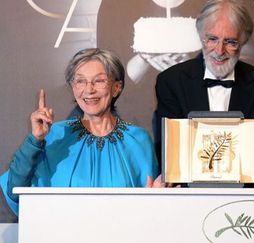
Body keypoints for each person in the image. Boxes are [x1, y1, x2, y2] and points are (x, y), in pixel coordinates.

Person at [0, 48, 160, 215]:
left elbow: (147, 212)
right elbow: (15, 190)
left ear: (116, 88)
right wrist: (35, 140)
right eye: (80, 81)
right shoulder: (55, 135)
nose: (89, 90)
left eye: (99, 81)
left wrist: (157, 200)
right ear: (73, 87)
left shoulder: (138, 139)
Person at [154, 0, 254, 177]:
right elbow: (168, 154)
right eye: (212, 39)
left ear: (243, 42)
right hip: (187, 196)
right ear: (201, 37)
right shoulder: (171, 82)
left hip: (245, 198)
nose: (219, 50)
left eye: (230, 42)